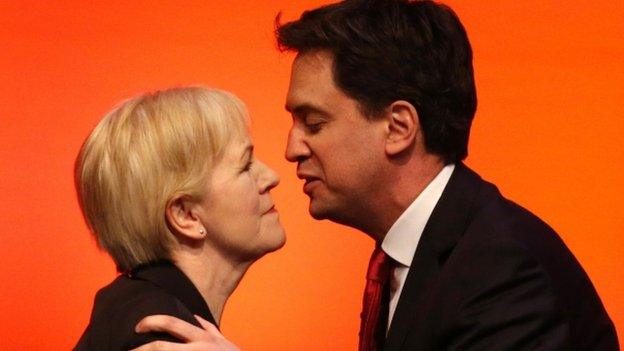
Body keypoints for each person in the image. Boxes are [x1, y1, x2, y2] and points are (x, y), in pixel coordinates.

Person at [133, 0, 620, 350]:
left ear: (398, 127)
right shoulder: (417, 253)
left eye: (314, 123)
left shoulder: (503, 271)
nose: (290, 149)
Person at [73, 86, 284, 350]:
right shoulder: (162, 336)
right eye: (245, 166)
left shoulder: (135, 307)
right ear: (186, 215)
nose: (272, 177)